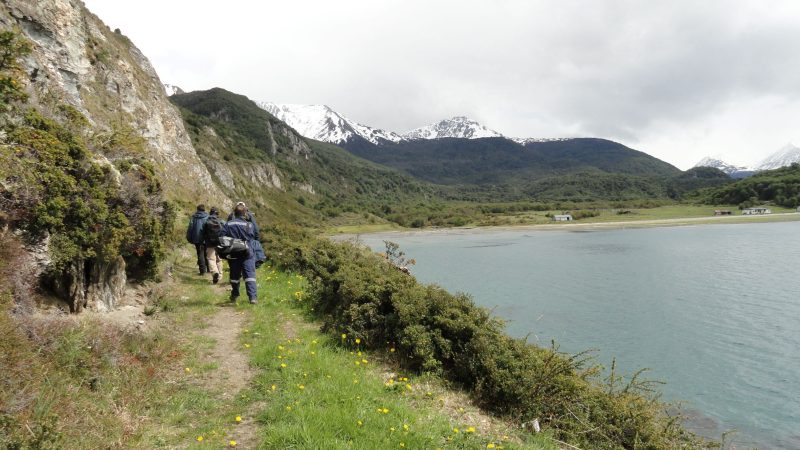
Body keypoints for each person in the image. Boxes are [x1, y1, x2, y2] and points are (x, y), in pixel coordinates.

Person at [222, 203, 258, 304]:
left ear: (234, 213)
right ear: (245, 213)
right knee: (250, 275)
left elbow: (222, 236)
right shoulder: (249, 225)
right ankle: (252, 298)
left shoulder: (228, 224)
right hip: (247, 253)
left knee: (234, 276)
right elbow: (254, 236)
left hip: (233, 253)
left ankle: (234, 295)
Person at [202, 207, 225, 284]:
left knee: (211, 259)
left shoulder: (206, 221)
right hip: (219, 243)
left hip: (209, 244)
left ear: (210, 213)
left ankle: (215, 272)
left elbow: (203, 232)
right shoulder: (220, 221)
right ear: (217, 213)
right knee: (219, 259)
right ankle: (220, 275)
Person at [186, 204, 209, 275]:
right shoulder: (208, 217)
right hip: (206, 238)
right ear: (204, 209)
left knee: (200, 253)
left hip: (197, 238)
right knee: (206, 253)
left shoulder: (194, 217)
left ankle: (202, 271)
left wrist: (189, 238)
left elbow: (190, 228)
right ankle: (209, 269)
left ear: (197, 210)